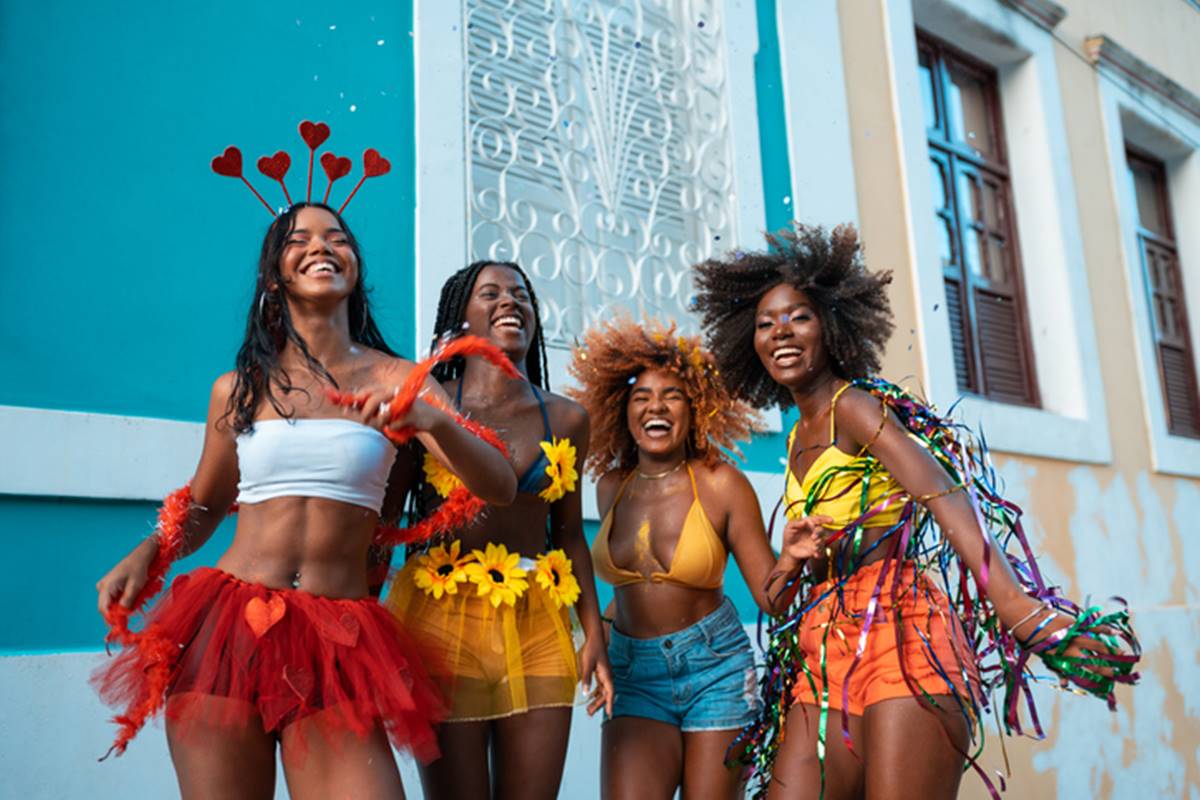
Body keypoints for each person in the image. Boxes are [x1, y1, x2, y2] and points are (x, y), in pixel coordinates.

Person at [692, 223, 1139, 799]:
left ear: (831, 325)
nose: (781, 331)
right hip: (822, 644)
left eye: (799, 316)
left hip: (900, 633)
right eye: (765, 322)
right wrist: (793, 558)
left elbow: (944, 492)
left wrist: (1015, 606)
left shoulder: (853, 406)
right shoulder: (797, 437)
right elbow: (776, 602)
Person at [93, 202, 517, 800]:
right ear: (275, 276)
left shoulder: (400, 382)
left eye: (337, 237)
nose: (321, 245)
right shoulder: (238, 389)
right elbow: (209, 505)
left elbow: (498, 483)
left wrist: (431, 420)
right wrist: (149, 553)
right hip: (229, 632)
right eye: (300, 239)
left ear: (355, 267)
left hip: (338, 639)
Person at [386, 260, 614, 800]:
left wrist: (594, 638)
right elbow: (386, 520)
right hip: (441, 619)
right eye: (490, 293)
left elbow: (569, 534)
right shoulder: (426, 403)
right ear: (460, 317)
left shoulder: (568, 418)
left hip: (539, 620)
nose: (510, 301)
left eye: (521, 295)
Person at [567, 318, 820, 800]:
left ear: (696, 408)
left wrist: (789, 558)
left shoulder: (722, 483)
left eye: (673, 396)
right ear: (622, 411)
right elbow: (633, 589)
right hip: (632, 671)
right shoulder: (610, 488)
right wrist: (595, 637)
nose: (656, 407)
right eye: (641, 397)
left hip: (716, 670)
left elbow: (773, 599)